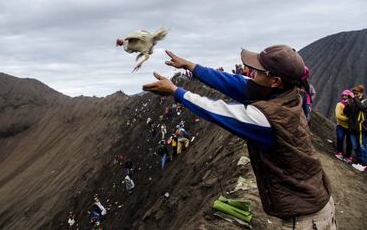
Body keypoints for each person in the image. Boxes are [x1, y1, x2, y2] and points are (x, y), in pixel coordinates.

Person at [143, 46, 335, 229]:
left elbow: (218, 111)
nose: (251, 74)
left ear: (275, 81)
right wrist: (191, 66)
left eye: (258, 71)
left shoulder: (267, 118)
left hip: (306, 217)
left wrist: (176, 92)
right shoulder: (288, 93)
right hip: (315, 199)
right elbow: (232, 82)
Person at [344, 85, 367, 171]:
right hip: (352, 128)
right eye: (353, 93)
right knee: (355, 146)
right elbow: (345, 112)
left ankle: (364, 164)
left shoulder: (364, 101)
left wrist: (355, 99)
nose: (354, 95)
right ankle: (359, 161)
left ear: (361, 93)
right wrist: (349, 102)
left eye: (356, 93)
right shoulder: (353, 102)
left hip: (361, 128)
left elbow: (362, 107)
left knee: (363, 146)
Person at [335, 89, 354, 162]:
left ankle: (348, 156)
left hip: (349, 127)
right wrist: (348, 119)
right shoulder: (339, 105)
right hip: (341, 125)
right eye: (344, 95)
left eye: (347, 96)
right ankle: (340, 152)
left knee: (349, 142)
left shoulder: (352, 106)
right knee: (340, 138)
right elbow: (338, 116)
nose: (345, 97)